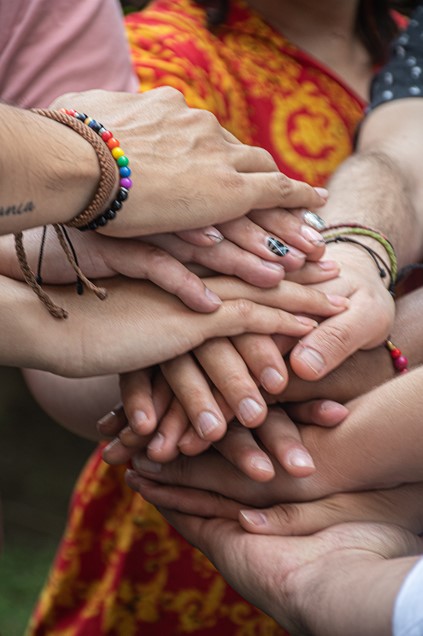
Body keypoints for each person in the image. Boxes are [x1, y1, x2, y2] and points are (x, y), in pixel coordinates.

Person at [24, 1, 423, 634]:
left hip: (390, 516)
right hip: (197, 506)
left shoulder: (410, 52)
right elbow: (69, 302)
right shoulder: (163, 55)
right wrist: (191, 356)